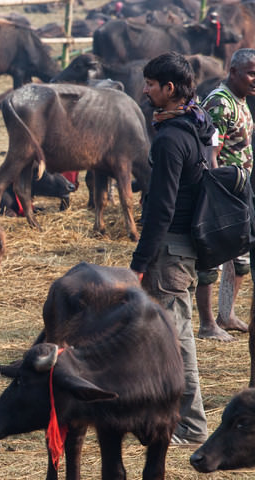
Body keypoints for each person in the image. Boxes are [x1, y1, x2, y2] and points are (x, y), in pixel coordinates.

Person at [131, 52, 213, 446]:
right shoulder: (194, 126)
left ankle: (192, 425)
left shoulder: (170, 139)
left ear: (170, 89)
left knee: (177, 337)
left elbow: (161, 208)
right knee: (165, 335)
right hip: (184, 248)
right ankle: (161, 413)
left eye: (150, 85)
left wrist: (139, 262)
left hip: (169, 252)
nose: (144, 90)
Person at [195, 48, 255, 341]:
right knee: (212, 257)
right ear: (233, 72)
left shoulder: (241, 101)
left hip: (240, 190)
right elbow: (210, 152)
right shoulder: (220, 103)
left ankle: (227, 315)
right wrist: (217, 196)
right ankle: (207, 324)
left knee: (240, 254)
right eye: (251, 73)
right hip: (223, 192)